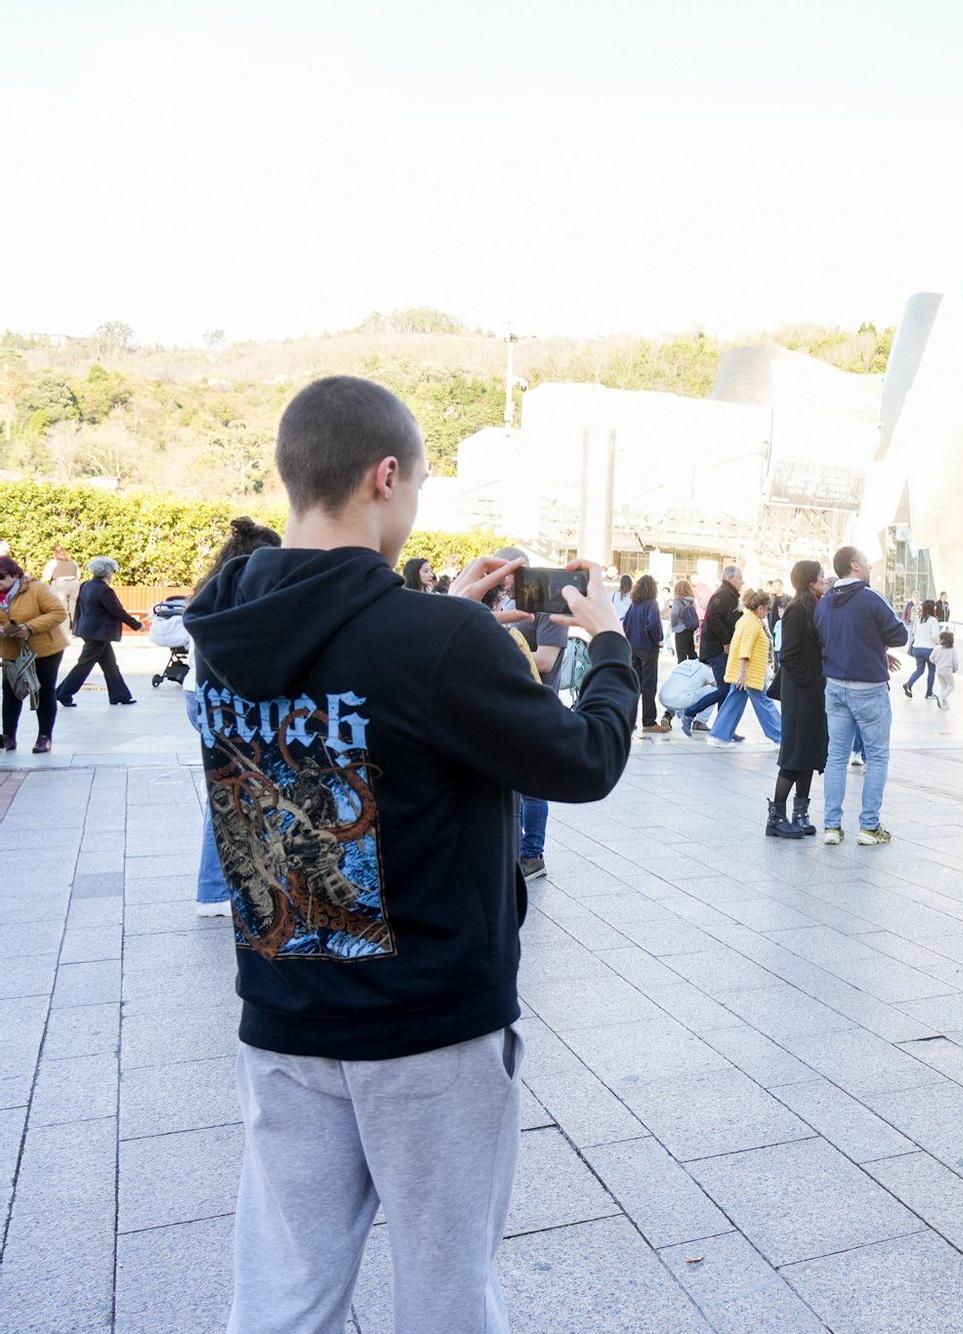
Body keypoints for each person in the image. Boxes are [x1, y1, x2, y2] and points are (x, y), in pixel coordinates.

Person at [180, 374, 636, 1332]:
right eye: (418, 484)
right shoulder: (433, 638)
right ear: (386, 476)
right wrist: (613, 648)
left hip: (283, 1013)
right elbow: (585, 761)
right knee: (444, 1294)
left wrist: (453, 620)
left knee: (282, 1293)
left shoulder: (221, 624)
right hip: (427, 1029)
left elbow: (358, 664)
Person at [185, 517, 283, 915]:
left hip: (200, 695)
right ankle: (214, 891)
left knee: (228, 789)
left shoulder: (213, 588)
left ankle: (217, 889)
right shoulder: (254, 592)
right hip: (231, 701)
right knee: (232, 793)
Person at [817, 545, 908, 846]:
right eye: (866, 562)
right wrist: (876, 642)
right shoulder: (870, 597)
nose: (869, 568)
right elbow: (900, 635)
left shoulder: (824, 601)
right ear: (855, 566)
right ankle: (869, 827)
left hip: (835, 685)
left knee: (836, 757)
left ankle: (832, 826)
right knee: (878, 756)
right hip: (868, 687)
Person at [494, 546, 572, 881]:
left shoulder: (549, 610)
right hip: (512, 704)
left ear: (521, 570)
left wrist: (498, 648)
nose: (501, 581)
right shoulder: (513, 605)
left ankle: (532, 855)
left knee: (532, 788)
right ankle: (515, 854)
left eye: (505, 573)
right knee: (514, 785)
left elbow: (545, 660)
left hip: (537, 704)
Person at [774, 559, 829, 837]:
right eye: (820, 576)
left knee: (808, 752)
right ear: (809, 580)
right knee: (795, 753)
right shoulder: (797, 610)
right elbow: (789, 656)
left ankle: (800, 813)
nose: (825, 579)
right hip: (800, 694)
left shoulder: (814, 606)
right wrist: (811, 682)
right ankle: (777, 815)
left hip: (812, 692)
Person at [0, 555, 71, 754]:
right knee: (10, 691)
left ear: (15, 574)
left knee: (43, 691)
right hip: (12, 650)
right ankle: (8, 736)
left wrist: (29, 627)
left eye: (2, 577)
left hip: (45, 650)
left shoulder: (35, 588)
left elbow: (58, 612)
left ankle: (44, 737)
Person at [54, 558, 143, 707]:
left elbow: (79, 608)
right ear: (107, 572)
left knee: (110, 665)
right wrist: (137, 625)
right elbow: (117, 611)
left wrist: (78, 627)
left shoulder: (86, 585)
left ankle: (120, 696)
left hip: (90, 631)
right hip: (99, 634)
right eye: (112, 571)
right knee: (84, 665)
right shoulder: (104, 590)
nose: (112, 574)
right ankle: (62, 693)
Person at [709, 588, 783, 749]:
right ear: (760, 607)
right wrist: (743, 672)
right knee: (764, 703)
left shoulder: (745, 620)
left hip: (743, 671)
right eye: (768, 608)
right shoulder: (753, 624)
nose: (768, 612)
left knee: (734, 702)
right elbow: (746, 649)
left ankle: (719, 735)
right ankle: (781, 736)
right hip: (750, 673)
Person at [681, 565, 744, 737]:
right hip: (717, 648)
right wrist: (725, 641)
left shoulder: (729, 595)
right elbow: (712, 618)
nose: (742, 582)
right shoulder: (723, 594)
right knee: (725, 689)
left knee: (727, 689)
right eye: (740, 579)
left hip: (722, 648)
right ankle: (690, 713)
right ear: (731, 578)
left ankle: (723, 729)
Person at [623, 574, 667, 733]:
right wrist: (657, 640)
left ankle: (628, 719)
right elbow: (654, 624)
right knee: (649, 685)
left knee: (634, 684)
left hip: (633, 647)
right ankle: (648, 721)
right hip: (648, 647)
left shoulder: (634, 604)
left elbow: (626, 623)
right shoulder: (652, 603)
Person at [903, 599, 941, 698]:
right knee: (932, 670)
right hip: (929, 650)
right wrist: (940, 644)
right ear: (932, 608)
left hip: (917, 649)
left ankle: (909, 684)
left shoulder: (918, 620)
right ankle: (929, 693)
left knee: (920, 669)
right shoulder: (933, 620)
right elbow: (935, 636)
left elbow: (914, 632)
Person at [41, 545, 81, 622]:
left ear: (54, 553)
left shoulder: (53, 563)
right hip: (74, 583)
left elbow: (47, 577)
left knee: (62, 608)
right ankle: (76, 628)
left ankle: (65, 631)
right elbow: (78, 576)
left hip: (60, 584)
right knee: (74, 607)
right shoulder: (73, 562)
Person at [669, 578, 699, 662]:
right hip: (690, 629)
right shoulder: (692, 601)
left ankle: (682, 673)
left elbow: (674, 613)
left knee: (681, 656)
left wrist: (673, 624)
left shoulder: (677, 601)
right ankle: (693, 671)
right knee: (691, 653)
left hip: (680, 630)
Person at [932, 630, 959, 709]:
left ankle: (942, 702)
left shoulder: (937, 648)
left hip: (939, 670)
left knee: (943, 686)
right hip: (947, 670)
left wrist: (936, 663)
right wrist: (955, 669)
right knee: (951, 686)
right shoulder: (953, 650)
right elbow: (955, 661)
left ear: (942, 640)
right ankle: (942, 698)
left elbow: (931, 658)